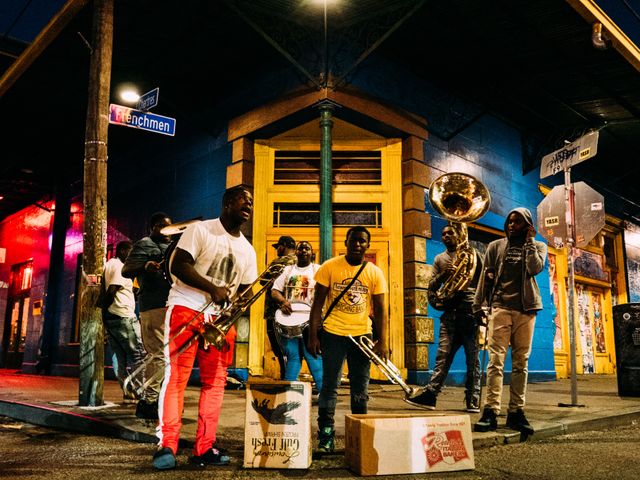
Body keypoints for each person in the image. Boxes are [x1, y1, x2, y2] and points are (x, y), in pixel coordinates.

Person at [152, 186, 257, 470]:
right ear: (226, 204)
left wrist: (236, 311)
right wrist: (213, 289)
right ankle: (167, 444)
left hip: (220, 320)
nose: (248, 204)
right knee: (176, 378)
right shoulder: (201, 231)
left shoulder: (248, 250)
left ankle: (205, 447)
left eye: (251, 201)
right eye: (242, 199)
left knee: (215, 384)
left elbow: (244, 292)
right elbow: (179, 265)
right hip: (186, 306)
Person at [307, 226, 389, 453]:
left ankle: (359, 435)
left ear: (367, 245)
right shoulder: (330, 266)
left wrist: (383, 341)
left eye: (362, 241)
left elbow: (382, 309)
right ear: (346, 242)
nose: (358, 244)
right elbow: (317, 305)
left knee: (360, 388)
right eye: (354, 240)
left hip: (362, 335)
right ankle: (326, 436)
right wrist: (314, 335)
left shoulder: (375, 272)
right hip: (333, 333)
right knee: (329, 387)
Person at [472, 207, 547, 434]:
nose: (512, 225)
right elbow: (486, 277)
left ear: (527, 225)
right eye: (510, 222)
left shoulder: (538, 246)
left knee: (520, 363)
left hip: (526, 310)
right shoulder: (495, 247)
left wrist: (530, 242)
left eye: (517, 222)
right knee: (495, 361)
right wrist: (478, 304)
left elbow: (535, 268)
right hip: (501, 307)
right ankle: (491, 411)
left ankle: (516, 412)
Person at [405, 223, 482, 413]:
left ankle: (473, 399)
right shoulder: (440, 259)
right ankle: (430, 396)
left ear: (459, 235)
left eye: (450, 233)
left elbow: (483, 283)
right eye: (443, 234)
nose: (446, 236)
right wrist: (444, 275)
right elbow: (431, 286)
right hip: (449, 315)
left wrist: (484, 307)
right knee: (442, 357)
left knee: (473, 360)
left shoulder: (474, 255)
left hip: (470, 313)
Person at [122, 212, 173, 420]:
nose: (166, 230)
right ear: (152, 228)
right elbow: (126, 270)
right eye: (161, 226)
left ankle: (155, 399)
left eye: (168, 226)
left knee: (165, 356)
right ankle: (148, 401)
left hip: (170, 305)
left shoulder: (171, 246)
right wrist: (145, 266)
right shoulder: (145, 244)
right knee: (159, 355)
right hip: (153, 306)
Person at [270, 241, 323, 394]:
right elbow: (274, 291)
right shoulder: (288, 270)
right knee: (293, 356)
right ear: (296, 252)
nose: (304, 250)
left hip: (310, 320)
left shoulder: (318, 270)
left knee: (312, 355)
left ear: (312, 253)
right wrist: (282, 301)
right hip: (289, 318)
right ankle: (289, 394)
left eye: (307, 248)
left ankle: (324, 395)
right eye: (301, 248)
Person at [102, 241, 147, 403]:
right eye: (130, 252)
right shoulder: (121, 267)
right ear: (122, 250)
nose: (132, 256)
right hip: (124, 316)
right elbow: (112, 290)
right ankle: (141, 393)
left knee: (120, 357)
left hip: (112, 318)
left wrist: (104, 315)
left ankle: (128, 392)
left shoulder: (109, 265)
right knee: (139, 355)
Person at [264, 235, 296, 378]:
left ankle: (285, 379)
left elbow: (263, 281)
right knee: (293, 347)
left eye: (278, 247)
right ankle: (291, 377)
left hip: (276, 311)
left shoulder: (279, 262)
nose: (277, 250)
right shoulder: (303, 262)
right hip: (297, 312)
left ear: (283, 246)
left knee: (279, 347)